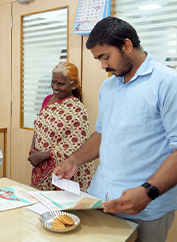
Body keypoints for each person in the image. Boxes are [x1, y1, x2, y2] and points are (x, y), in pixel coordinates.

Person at [54, 17, 177, 242]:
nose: (103, 65)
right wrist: (74, 160)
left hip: (144, 206)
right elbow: (102, 135)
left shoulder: (168, 83)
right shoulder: (108, 86)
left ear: (127, 46)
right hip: (101, 199)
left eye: (105, 56)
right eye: (98, 59)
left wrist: (147, 192)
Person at [28, 62, 94, 192]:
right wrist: (33, 152)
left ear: (73, 84)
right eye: (53, 82)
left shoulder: (78, 110)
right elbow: (38, 127)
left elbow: (77, 144)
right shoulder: (48, 99)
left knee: (59, 208)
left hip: (62, 169)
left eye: (61, 84)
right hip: (40, 166)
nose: (55, 87)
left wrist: (45, 155)